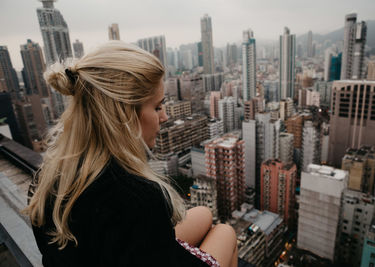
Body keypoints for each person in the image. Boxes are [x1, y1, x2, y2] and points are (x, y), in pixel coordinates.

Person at [25, 41, 238, 267]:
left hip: (102, 253)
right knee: (225, 232)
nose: (164, 117)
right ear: (124, 116)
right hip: (123, 247)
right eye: (157, 107)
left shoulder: (47, 177)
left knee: (204, 214)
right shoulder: (137, 197)